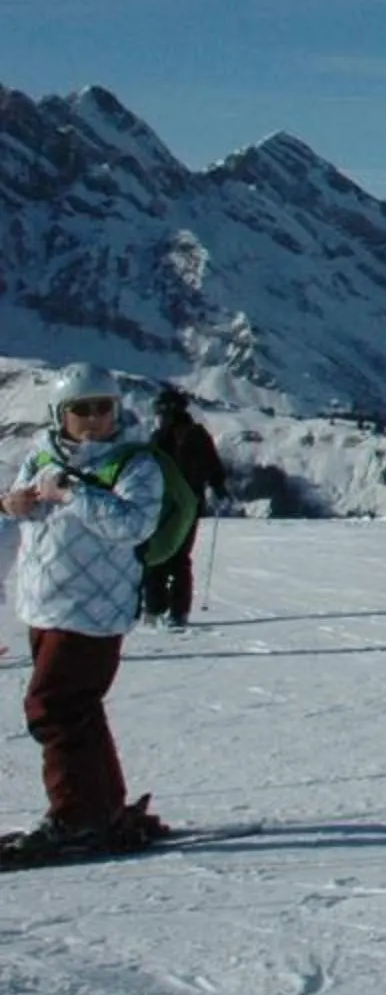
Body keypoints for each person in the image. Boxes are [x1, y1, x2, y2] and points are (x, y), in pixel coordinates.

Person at [0, 366, 170, 856]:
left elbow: (133, 524)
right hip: (44, 604)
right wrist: (11, 504)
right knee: (78, 709)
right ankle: (103, 807)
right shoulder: (41, 456)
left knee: (52, 707)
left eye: (104, 407)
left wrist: (73, 493)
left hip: (94, 610)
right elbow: (20, 506)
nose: (95, 419)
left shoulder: (135, 464)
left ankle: (76, 816)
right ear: (60, 415)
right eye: (82, 409)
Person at [141, 387, 227, 628]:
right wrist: (218, 486)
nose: (159, 417)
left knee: (159, 554)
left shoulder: (159, 439)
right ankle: (175, 612)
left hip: (166, 505)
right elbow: (214, 467)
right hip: (188, 505)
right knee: (177, 558)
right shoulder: (197, 436)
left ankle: (156, 609)